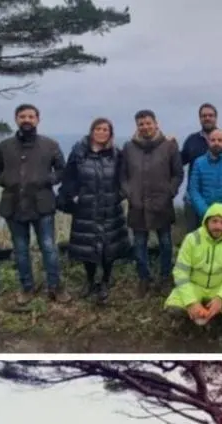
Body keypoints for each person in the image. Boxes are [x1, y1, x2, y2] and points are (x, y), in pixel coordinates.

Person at [0, 103, 67, 305]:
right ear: (16, 119)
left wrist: (48, 179)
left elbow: (62, 170)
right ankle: (27, 288)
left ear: (37, 120)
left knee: (49, 248)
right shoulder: (4, 146)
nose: (27, 119)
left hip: (42, 204)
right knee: (21, 250)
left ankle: (55, 286)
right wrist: (5, 180)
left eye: (31, 116)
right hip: (13, 205)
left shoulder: (50, 145)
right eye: (22, 116)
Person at [58, 117, 128, 305]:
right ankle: (90, 281)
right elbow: (69, 177)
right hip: (86, 207)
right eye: (98, 128)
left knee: (108, 247)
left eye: (106, 129)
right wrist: (70, 196)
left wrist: (119, 196)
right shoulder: (79, 152)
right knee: (87, 245)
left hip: (109, 207)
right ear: (92, 131)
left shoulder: (116, 154)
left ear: (110, 133)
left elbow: (124, 178)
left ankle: (105, 281)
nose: (102, 132)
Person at [122, 109, 183, 290]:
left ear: (156, 124)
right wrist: (129, 193)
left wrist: (169, 192)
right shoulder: (128, 147)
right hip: (137, 205)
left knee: (165, 242)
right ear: (137, 127)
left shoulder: (169, 146)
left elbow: (178, 173)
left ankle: (165, 277)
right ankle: (144, 278)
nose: (145, 127)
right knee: (139, 244)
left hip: (162, 204)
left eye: (148, 123)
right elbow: (122, 176)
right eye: (141, 124)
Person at [166, 203, 222, 325]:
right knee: (174, 308)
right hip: (195, 286)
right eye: (214, 221)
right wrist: (191, 302)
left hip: (221, 285)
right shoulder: (192, 239)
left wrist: (221, 297)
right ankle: (195, 312)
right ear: (206, 221)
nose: (218, 226)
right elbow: (180, 272)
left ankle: (221, 312)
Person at [186, 130, 222, 232]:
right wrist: (206, 211)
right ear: (208, 142)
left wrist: (221, 211)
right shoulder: (199, 162)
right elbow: (194, 190)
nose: (216, 143)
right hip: (205, 216)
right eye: (213, 140)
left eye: (220, 140)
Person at [181, 102, 222, 167]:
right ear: (200, 119)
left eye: (210, 115)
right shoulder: (191, 140)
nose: (207, 118)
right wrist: (170, 143)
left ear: (216, 118)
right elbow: (179, 162)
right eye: (204, 116)